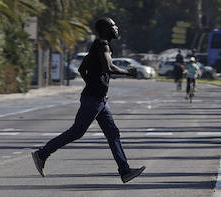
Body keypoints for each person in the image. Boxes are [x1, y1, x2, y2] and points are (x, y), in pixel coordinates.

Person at [32, 17, 146, 183]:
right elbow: (108, 67)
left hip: (98, 99)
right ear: (106, 29)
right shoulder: (102, 45)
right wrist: (128, 72)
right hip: (93, 99)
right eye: (113, 25)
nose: (116, 28)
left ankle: (125, 171)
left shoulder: (97, 45)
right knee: (77, 132)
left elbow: (81, 68)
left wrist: (93, 84)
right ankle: (42, 153)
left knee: (113, 134)